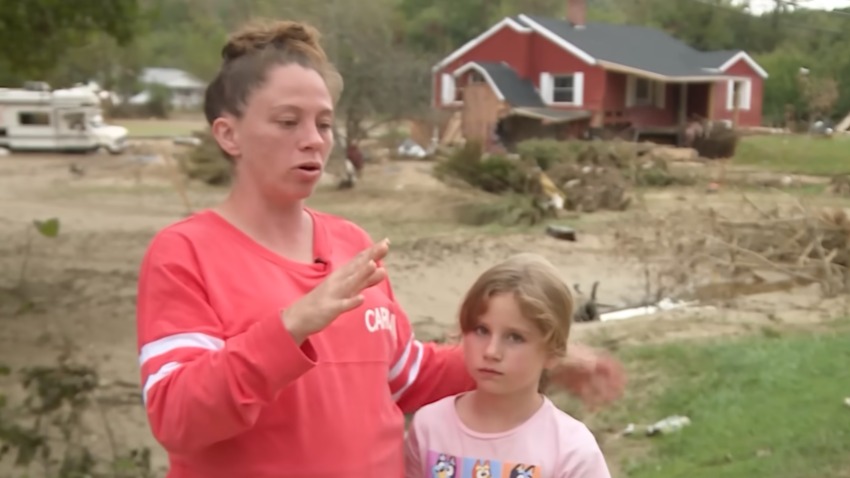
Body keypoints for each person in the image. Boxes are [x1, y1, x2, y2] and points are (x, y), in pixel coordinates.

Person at [134, 18, 625, 478]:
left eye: (324, 124)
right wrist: (292, 327)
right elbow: (177, 417)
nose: (313, 141)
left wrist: (541, 360)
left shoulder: (352, 244)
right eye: (288, 122)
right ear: (229, 134)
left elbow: (407, 374)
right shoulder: (185, 253)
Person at [405, 253, 612, 478]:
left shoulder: (571, 450)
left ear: (552, 353)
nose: (491, 351)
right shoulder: (430, 427)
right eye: (481, 330)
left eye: (514, 337)